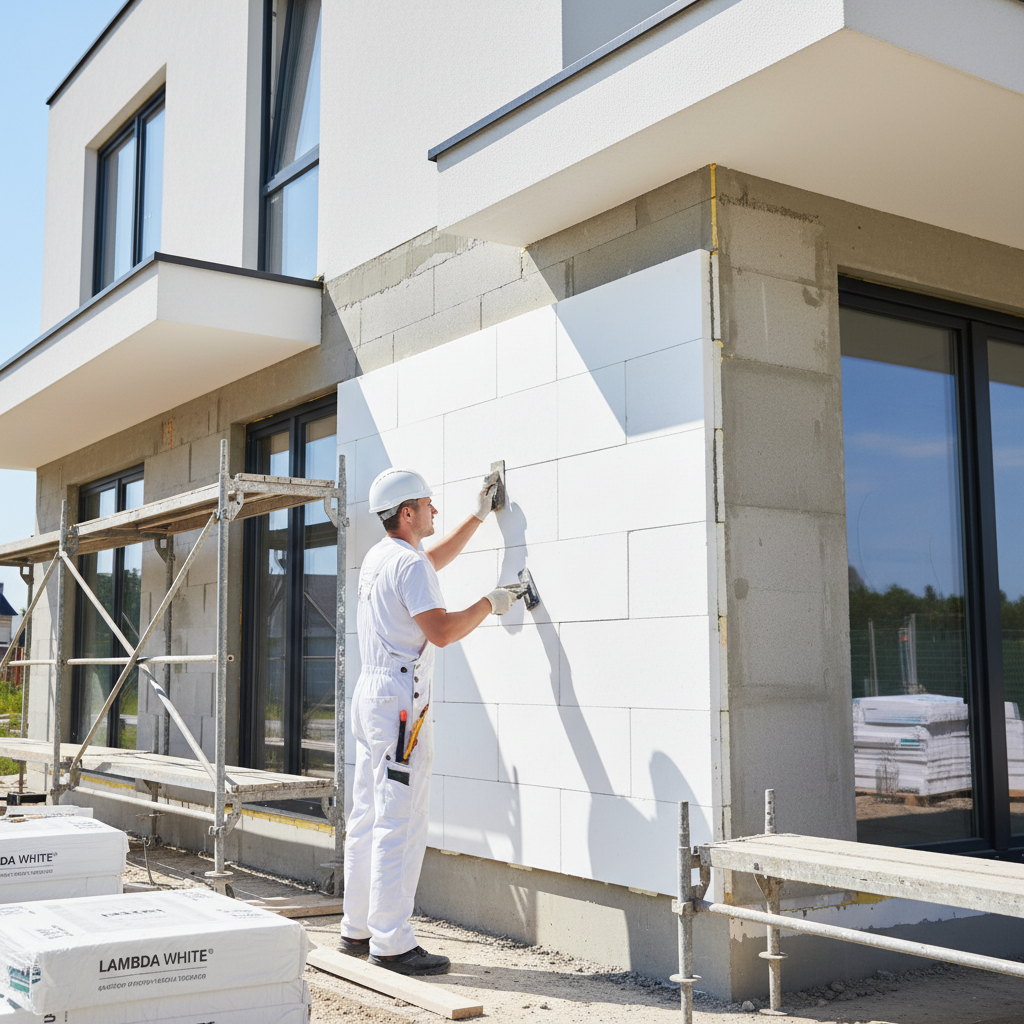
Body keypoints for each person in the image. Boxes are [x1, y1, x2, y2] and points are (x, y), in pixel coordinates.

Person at [338, 467, 519, 976]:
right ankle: (391, 942)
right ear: (407, 512)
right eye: (428, 503)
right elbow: (439, 631)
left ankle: (357, 929)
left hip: (372, 697)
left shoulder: (383, 558)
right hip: (401, 706)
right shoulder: (407, 566)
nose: (435, 509)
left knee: (368, 816)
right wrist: (491, 602)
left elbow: (430, 563)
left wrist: (478, 516)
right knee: (401, 819)